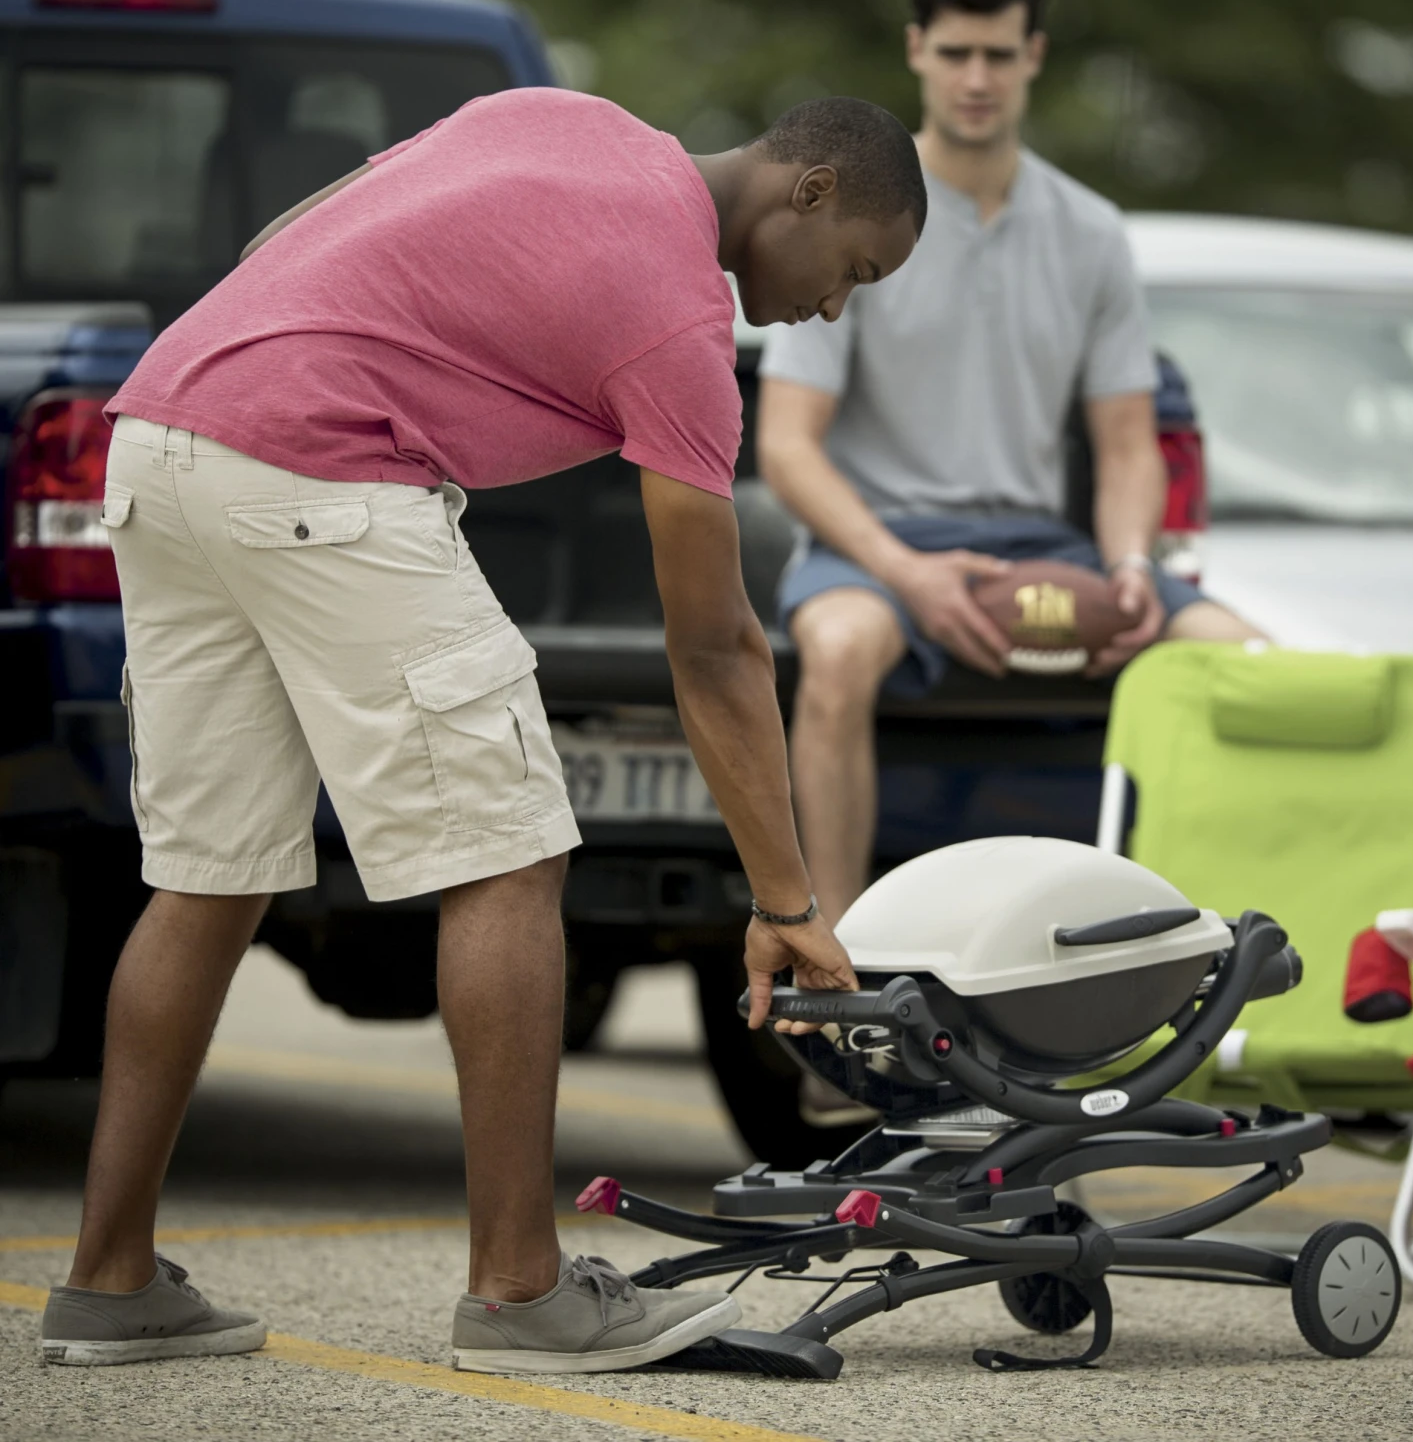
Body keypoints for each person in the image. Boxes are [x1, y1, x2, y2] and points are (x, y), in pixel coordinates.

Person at [39, 89, 924, 1374]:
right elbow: (715, 645)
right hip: (319, 467)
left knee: (207, 875)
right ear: (811, 191)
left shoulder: (561, 115)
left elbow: (292, 231)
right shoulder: (679, 318)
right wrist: (785, 898)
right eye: (854, 270)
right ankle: (521, 1292)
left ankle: (110, 1281)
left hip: (165, 433)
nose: (835, 306)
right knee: (510, 853)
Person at [757, 0, 1261, 926]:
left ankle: (1220, 944)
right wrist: (907, 572)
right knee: (839, 654)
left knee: (1246, 665)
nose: (976, 78)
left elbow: (1128, 444)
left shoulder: (1091, 230)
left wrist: (1129, 562)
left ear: (1034, 55)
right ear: (917, 50)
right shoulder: (849, 211)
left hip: (1043, 550)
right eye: (955, 53)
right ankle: (833, 958)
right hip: (876, 553)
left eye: (997, 54)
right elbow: (786, 446)